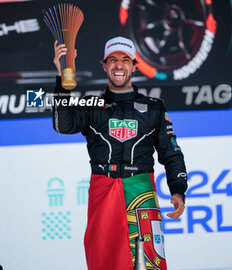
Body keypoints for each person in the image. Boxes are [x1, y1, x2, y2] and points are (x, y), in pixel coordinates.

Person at [52, 36, 188, 270]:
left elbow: (171, 152)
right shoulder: (91, 104)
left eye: (125, 60)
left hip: (141, 191)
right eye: (112, 60)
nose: (118, 65)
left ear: (135, 66)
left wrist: (178, 190)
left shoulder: (155, 106)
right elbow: (63, 125)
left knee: (148, 263)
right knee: (104, 262)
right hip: (103, 191)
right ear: (104, 65)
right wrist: (65, 76)